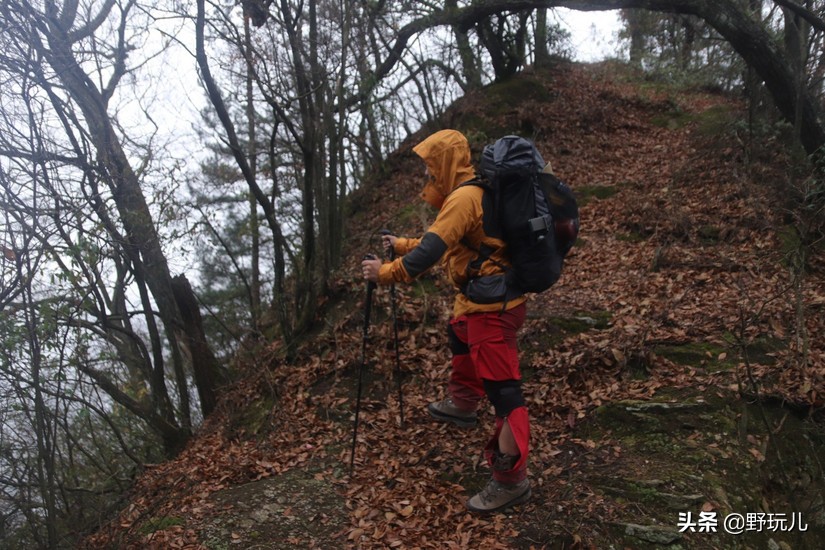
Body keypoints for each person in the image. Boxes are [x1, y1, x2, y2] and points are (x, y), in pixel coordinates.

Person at [361, 129, 530, 513]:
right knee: (459, 330)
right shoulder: (473, 191)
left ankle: (511, 480)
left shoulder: (464, 197)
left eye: (431, 165)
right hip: (486, 302)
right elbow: (453, 239)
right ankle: (464, 403)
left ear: (447, 163)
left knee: (506, 396)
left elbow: (427, 257)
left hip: (494, 310)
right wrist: (402, 244)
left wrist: (384, 271)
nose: (428, 174)